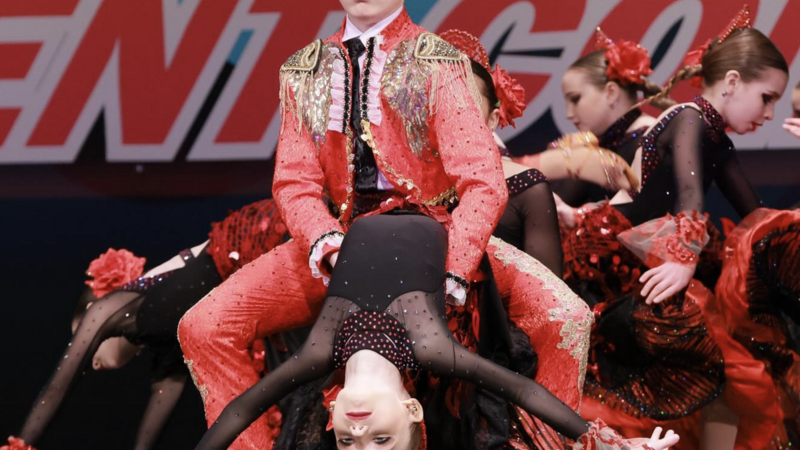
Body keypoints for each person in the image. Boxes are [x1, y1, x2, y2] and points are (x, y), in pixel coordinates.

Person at [192, 213, 679, 450]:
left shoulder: (320, 351)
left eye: (348, 444)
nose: (359, 432)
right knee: (568, 315)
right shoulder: (429, 346)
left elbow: (241, 409)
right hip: (454, 227)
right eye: (381, 440)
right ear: (411, 409)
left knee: (198, 325)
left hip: (342, 222)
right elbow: (522, 390)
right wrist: (612, 444)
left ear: (332, 415)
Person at [558, 7, 790, 450]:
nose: (770, 111)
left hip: (641, 260)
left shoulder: (717, 138)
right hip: (609, 267)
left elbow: (758, 219)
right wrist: (684, 259)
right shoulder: (689, 117)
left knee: (729, 375)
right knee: (727, 374)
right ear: (733, 81)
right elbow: (688, 194)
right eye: (767, 97)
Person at [7, 200, 286, 450]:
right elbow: (148, 437)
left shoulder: (112, 307)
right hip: (255, 278)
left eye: (82, 342)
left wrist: (20, 446)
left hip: (249, 238)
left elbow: (56, 389)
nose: (92, 363)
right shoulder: (167, 345)